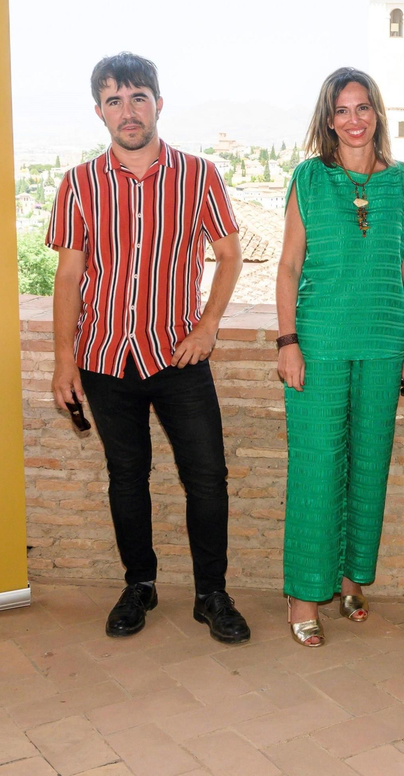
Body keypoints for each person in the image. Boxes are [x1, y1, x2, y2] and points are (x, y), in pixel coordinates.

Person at [48, 52, 250, 644]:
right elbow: (67, 277)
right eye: (113, 100)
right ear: (99, 112)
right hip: (106, 358)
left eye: (138, 97)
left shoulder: (199, 175)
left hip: (179, 357)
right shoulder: (78, 184)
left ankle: (212, 594)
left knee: (208, 478)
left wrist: (208, 324)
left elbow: (230, 254)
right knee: (126, 477)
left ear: (158, 104)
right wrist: (65, 362)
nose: (127, 110)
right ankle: (139, 585)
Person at [273, 68, 404, 649]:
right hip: (316, 344)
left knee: (368, 465)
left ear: (377, 114)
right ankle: (302, 595)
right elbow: (288, 267)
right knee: (316, 468)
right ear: (328, 119)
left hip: (385, 343)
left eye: (363, 108)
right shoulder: (310, 180)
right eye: (342, 110)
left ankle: (348, 579)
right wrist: (287, 342)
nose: (354, 119)